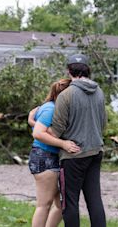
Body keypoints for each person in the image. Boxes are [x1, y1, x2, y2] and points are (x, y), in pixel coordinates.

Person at [51, 54, 107, 227]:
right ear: (88, 70)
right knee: (94, 200)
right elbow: (103, 123)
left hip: (73, 155)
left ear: (69, 71)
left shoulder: (66, 95)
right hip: (95, 152)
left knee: (70, 203)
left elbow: (57, 129)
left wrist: (39, 127)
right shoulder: (99, 92)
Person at [28, 78, 80, 227]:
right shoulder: (51, 109)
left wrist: (32, 121)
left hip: (55, 157)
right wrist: (63, 144)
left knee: (60, 204)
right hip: (44, 157)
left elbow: (44, 128)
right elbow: (38, 133)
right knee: (44, 204)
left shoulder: (58, 108)